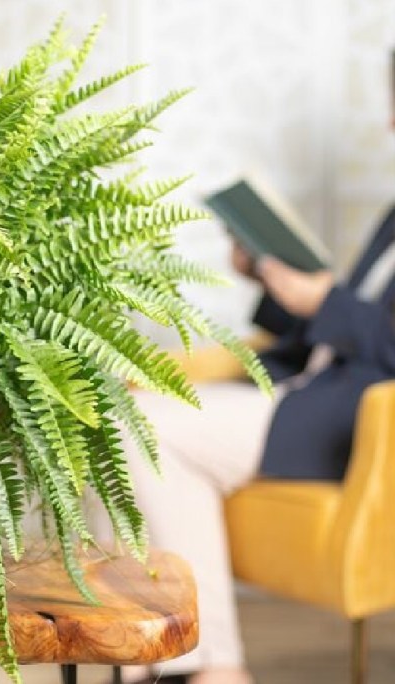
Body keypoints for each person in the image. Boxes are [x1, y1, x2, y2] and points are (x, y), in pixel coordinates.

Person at [110, 200, 395, 684]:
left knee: (144, 426)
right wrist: (274, 283)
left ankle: (210, 667)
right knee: (119, 413)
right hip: (298, 382)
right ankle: (158, 658)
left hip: (351, 419)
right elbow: (349, 329)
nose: (389, 122)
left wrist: (326, 300)